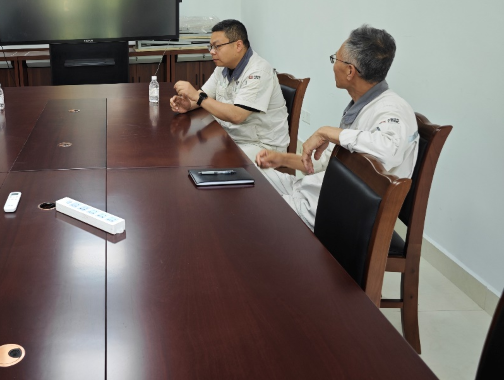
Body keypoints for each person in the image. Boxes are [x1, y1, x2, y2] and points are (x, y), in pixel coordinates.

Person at [256, 25, 419, 230]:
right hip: (313, 192)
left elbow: (389, 150)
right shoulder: (361, 105)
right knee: (252, 176)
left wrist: (327, 132)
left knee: (251, 207)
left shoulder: (394, 110)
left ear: (350, 71)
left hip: (329, 212)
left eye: (336, 59)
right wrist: (281, 159)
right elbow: (326, 162)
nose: (333, 66)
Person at [171, 19, 290, 161]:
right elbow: (206, 95)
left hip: (262, 146)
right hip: (233, 135)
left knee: (209, 163)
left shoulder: (258, 72)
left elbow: (237, 116)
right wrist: (188, 105)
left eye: (217, 46)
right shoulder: (222, 67)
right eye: (211, 47)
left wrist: (197, 97)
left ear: (238, 45)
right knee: (198, 156)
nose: (212, 52)